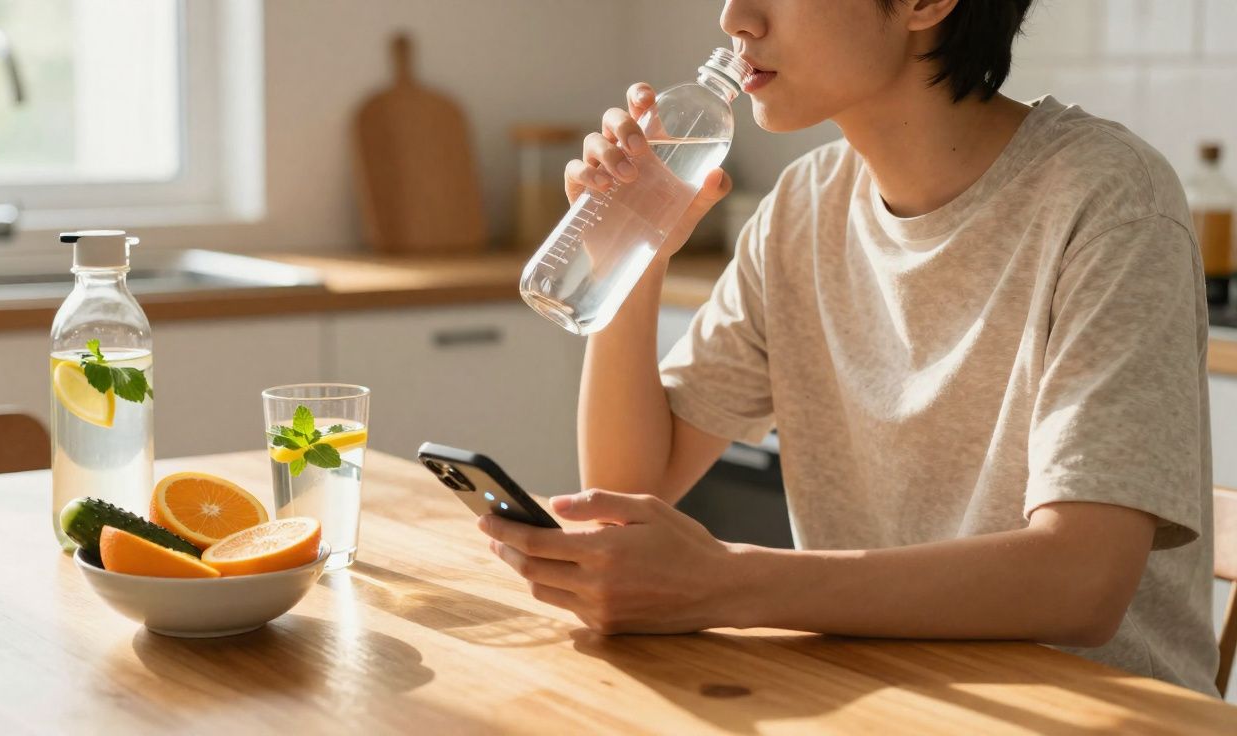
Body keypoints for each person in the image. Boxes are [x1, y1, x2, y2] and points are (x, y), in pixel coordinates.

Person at [477, 0, 1219, 695]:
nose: (736, 17)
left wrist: (725, 583)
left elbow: (1081, 582)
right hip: (882, 696)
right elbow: (626, 491)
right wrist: (633, 250)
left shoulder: (1110, 202)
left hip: (1094, 712)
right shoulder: (802, 208)